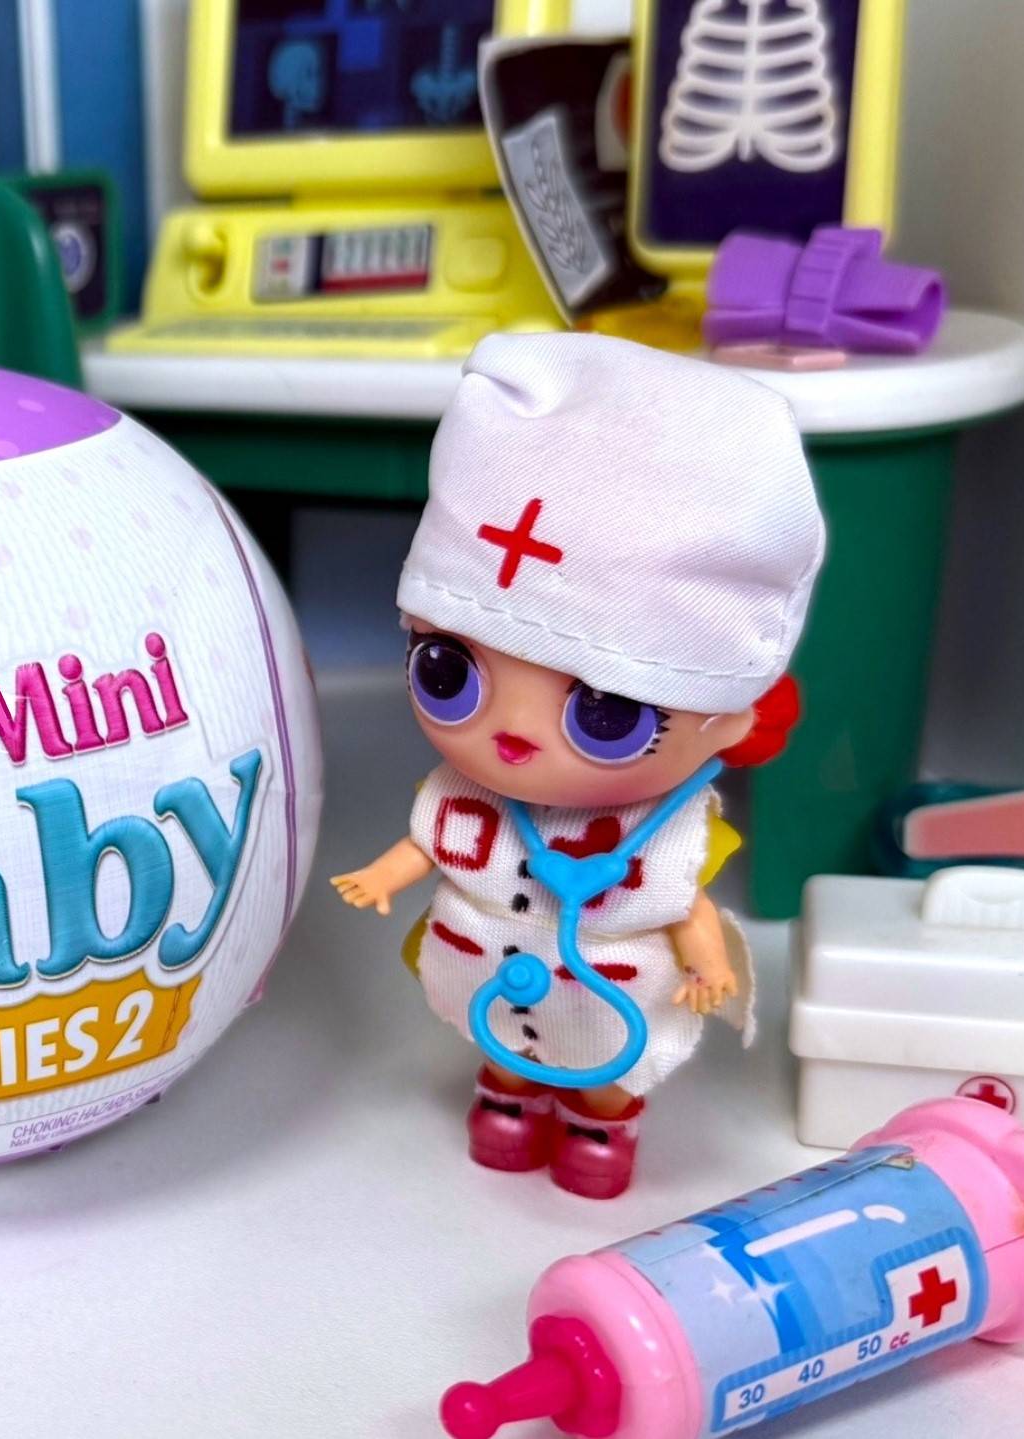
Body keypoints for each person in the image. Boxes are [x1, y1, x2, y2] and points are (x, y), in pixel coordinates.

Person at [331, 333, 825, 1199]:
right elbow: (430, 847)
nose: (513, 736)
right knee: (503, 1050)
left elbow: (685, 907)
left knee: (604, 1070)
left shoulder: (665, 831)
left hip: (610, 994)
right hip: (488, 968)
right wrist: (383, 875)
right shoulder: (462, 795)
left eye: (605, 716)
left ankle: (601, 1123)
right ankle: (508, 1099)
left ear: (728, 723)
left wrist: (708, 964)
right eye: (449, 673)